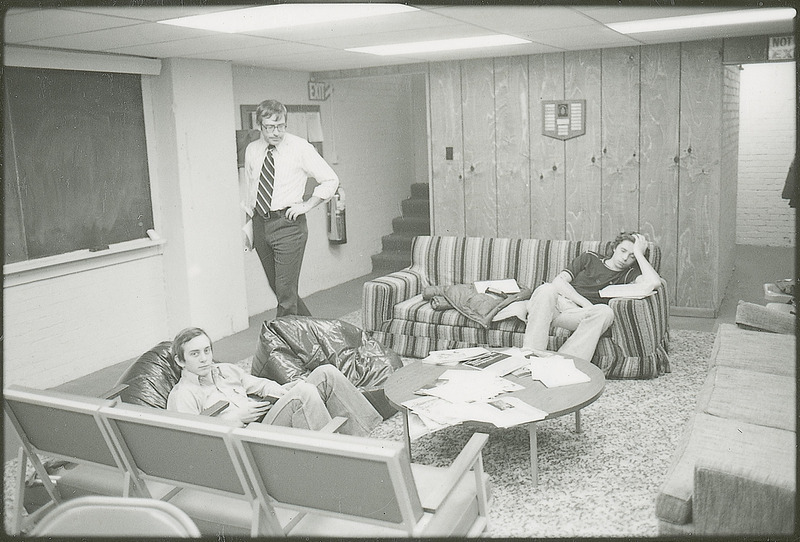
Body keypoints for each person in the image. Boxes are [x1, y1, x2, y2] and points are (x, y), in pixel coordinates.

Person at [166, 327, 382, 436]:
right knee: (304, 394)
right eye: (195, 354)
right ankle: (335, 456)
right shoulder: (183, 394)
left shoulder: (225, 370)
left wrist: (281, 391)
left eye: (207, 350)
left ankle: (370, 436)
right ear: (180, 360)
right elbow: (189, 440)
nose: (204, 358)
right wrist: (232, 418)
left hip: (263, 419)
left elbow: (261, 385)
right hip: (247, 438)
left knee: (326, 372)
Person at [243, 99, 339, 316]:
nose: (276, 132)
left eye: (281, 126)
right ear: (259, 126)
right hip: (260, 223)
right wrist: (248, 226)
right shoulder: (252, 150)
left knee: (286, 294)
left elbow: (331, 180)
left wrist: (308, 205)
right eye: (270, 127)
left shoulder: (300, 147)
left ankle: (283, 345)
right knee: (279, 289)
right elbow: (251, 190)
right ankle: (314, 334)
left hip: (288, 225)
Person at [522, 232, 662, 361]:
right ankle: (531, 356)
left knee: (606, 312)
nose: (625, 258)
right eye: (623, 251)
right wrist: (585, 303)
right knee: (546, 288)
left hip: (577, 315)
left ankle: (566, 362)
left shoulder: (630, 273)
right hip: (554, 305)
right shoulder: (590, 258)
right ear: (614, 248)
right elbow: (558, 281)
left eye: (631, 256)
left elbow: (655, 283)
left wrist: (639, 254)